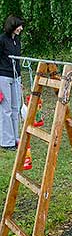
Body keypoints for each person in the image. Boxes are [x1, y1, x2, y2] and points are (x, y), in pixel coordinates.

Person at [0, 15, 24, 151]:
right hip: (3, 77)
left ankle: (15, 138)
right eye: (19, 26)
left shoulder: (17, 41)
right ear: (12, 26)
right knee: (6, 110)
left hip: (15, 78)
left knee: (16, 108)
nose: (21, 28)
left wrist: (19, 79)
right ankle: (6, 141)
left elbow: (17, 62)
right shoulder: (2, 39)